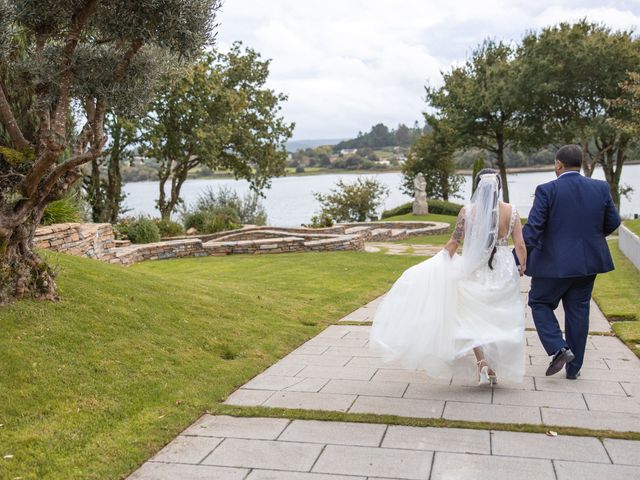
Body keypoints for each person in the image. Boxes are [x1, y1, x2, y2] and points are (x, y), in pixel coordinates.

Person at [370, 169, 526, 385]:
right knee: (499, 316)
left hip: (475, 267)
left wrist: (440, 261)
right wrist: (522, 264)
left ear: (477, 188)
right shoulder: (513, 211)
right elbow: (519, 244)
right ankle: (493, 364)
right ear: (498, 187)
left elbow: (455, 242)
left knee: (471, 317)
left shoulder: (468, 211)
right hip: (503, 267)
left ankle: (482, 363)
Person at [524, 145, 621, 380]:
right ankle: (574, 368)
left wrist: (521, 256)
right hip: (588, 263)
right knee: (578, 311)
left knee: (539, 302)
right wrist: (591, 239)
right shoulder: (600, 187)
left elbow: (534, 228)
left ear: (558, 164)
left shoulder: (547, 190)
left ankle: (559, 348)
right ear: (580, 162)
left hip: (551, 265)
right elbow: (613, 221)